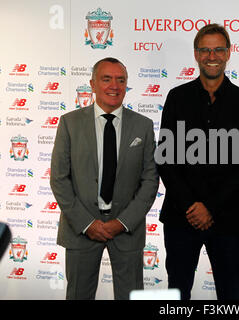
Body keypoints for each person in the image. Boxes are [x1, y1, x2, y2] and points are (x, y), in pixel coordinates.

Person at [157, 23, 239, 300]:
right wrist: (192, 206)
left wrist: (209, 207)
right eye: (205, 50)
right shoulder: (176, 98)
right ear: (195, 54)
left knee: (230, 295)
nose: (211, 56)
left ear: (228, 53)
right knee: (177, 294)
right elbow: (166, 160)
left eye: (217, 49)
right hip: (181, 216)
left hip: (228, 219)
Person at [50, 57, 159, 300]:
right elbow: (59, 179)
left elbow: (150, 181)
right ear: (93, 84)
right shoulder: (69, 123)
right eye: (106, 79)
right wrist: (87, 224)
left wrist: (122, 222)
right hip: (80, 228)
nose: (114, 86)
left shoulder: (143, 126)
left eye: (121, 80)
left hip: (127, 229)